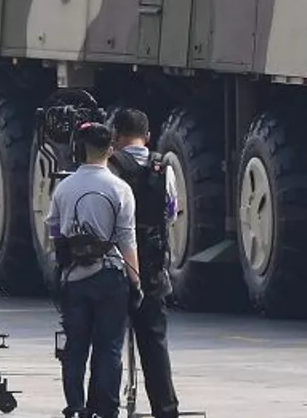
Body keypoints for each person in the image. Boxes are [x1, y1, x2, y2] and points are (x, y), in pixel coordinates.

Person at [46, 122, 141, 418]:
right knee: (109, 347)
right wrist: (135, 281)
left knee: (75, 348)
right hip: (111, 276)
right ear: (111, 150)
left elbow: (54, 231)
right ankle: (106, 407)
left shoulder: (64, 187)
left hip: (74, 277)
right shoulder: (120, 188)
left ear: (79, 149)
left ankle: (76, 406)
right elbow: (127, 238)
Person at [105, 108, 181, 418]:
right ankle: (166, 408)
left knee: (109, 343)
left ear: (116, 137)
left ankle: (105, 406)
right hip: (151, 265)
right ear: (147, 136)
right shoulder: (164, 167)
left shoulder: (109, 167)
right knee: (154, 342)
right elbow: (172, 212)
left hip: (114, 263)